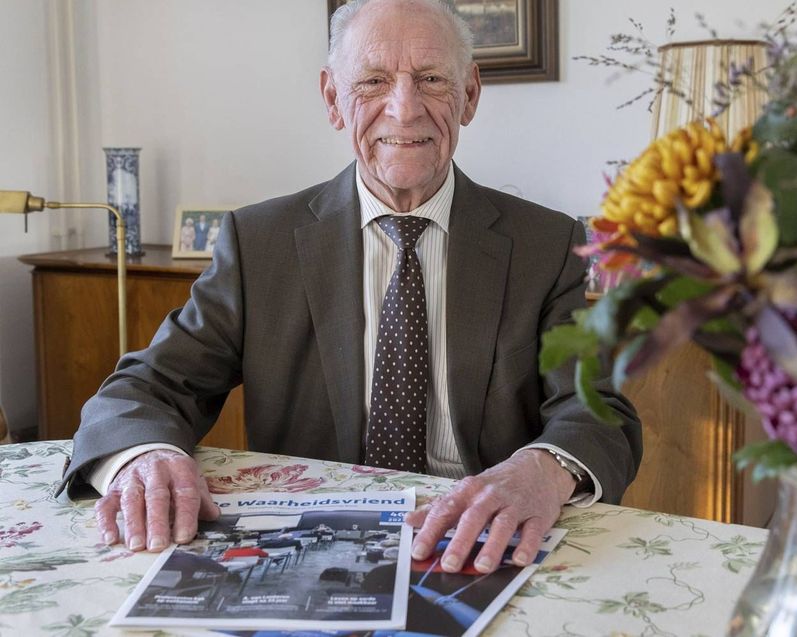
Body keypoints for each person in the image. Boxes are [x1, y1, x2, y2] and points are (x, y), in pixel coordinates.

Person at [62, 0, 640, 577]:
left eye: (432, 79)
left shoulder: (547, 242)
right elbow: (149, 386)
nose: (404, 108)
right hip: (308, 551)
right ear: (334, 99)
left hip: (478, 541)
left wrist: (541, 467)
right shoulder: (260, 242)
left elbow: (598, 409)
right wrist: (148, 455)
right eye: (373, 81)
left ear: (470, 94)